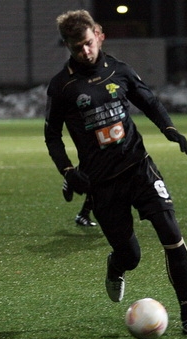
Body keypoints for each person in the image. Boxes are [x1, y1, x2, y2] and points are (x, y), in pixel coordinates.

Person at [44, 10, 187, 336]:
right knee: (130, 254)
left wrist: (169, 128)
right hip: (102, 184)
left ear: (99, 35)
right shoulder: (62, 87)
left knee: (171, 234)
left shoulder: (118, 70)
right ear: (67, 46)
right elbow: (52, 136)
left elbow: (146, 99)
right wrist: (67, 170)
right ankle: (116, 266)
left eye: (89, 43)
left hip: (139, 168)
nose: (85, 52)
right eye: (77, 47)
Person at [62, 23, 105, 227]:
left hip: (107, 129)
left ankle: (84, 213)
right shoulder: (75, 74)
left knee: (101, 176)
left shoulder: (106, 66)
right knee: (101, 177)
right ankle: (75, 179)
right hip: (91, 127)